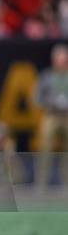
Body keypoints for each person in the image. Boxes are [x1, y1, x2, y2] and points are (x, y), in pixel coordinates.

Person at [34, 43, 68, 189]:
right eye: (59, 59)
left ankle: (66, 181)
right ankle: (41, 182)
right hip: (51, 114)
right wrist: (48, 103)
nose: (61, 62)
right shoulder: (46, 76)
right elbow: (37, 97)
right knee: (44, 146)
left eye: (64, 59)